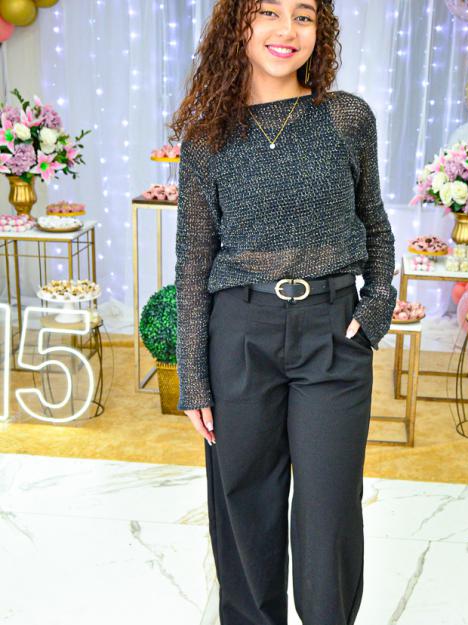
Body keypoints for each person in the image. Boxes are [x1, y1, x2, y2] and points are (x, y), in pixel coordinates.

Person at [169, 0, 397, 623]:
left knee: (328, 512)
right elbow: (193, 260)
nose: (286, 31)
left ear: (320, 31)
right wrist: (193, 378)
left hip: (332, 333)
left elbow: (374, 222)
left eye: (303, 16)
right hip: (240, 333)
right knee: (244, 507)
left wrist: (377, 304)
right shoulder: (208, 137)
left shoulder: (346, 117)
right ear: (237, 26)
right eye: (268, 12)